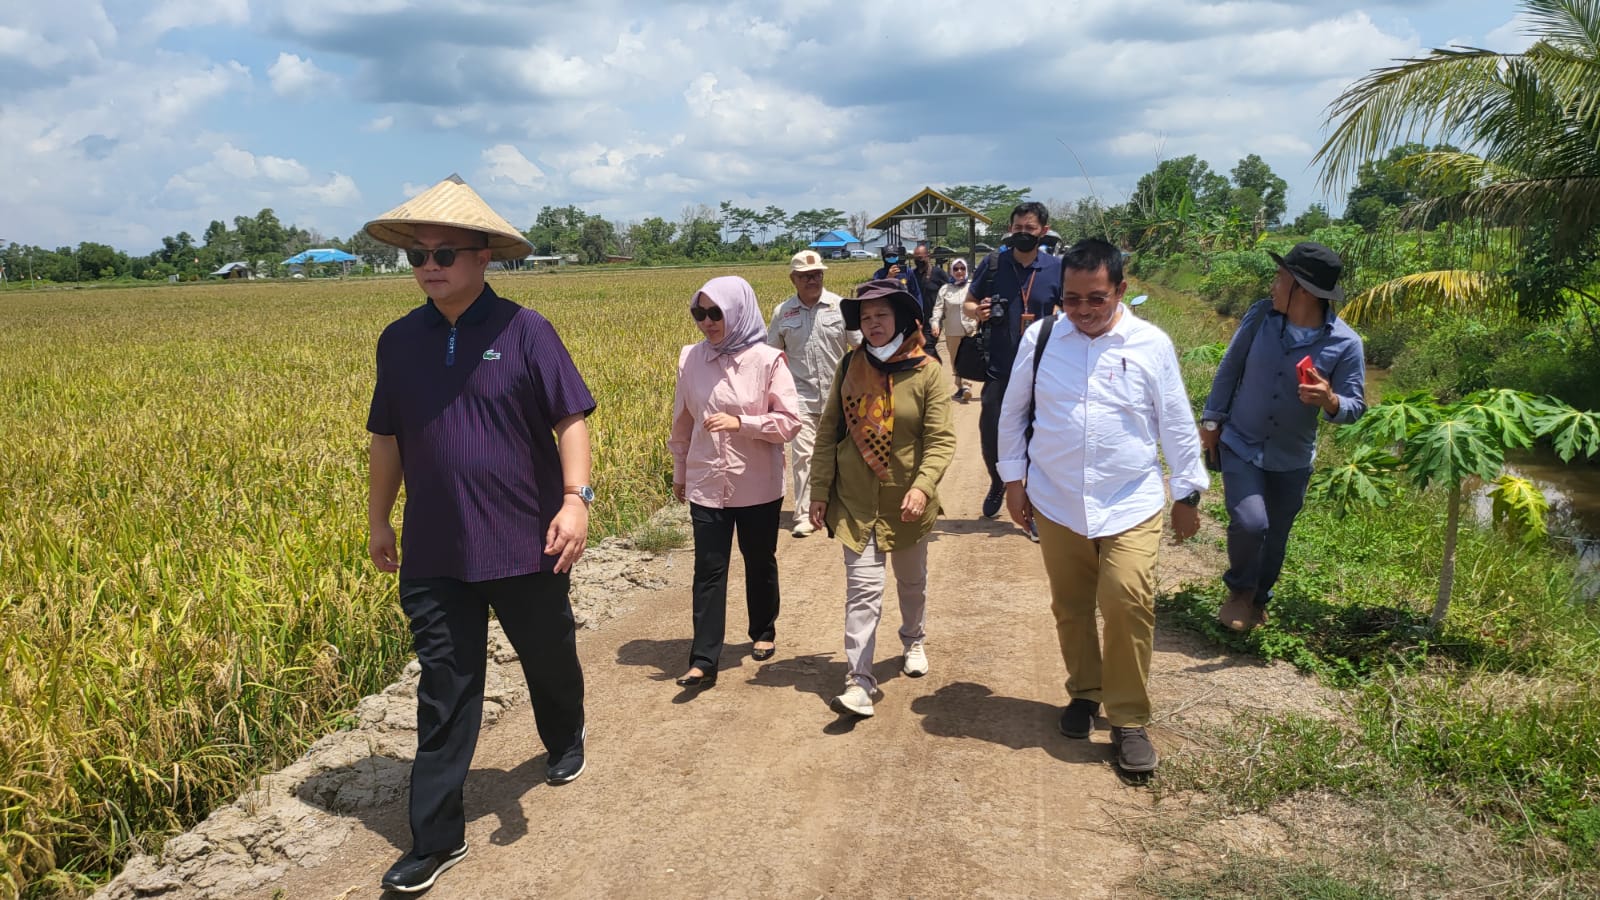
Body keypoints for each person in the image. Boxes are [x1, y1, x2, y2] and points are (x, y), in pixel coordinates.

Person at [363, 175, 596, 893]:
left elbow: (570, 419)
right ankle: (436, 837)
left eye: (445, 253)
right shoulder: (399, 342)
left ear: (484, 256)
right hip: (435, 548)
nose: (430, 266)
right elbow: (387, 436)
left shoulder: (526, 330)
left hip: (525, 540)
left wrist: (575, 499)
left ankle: (564, 735)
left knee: (547, 653)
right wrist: (377, 517)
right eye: (418, 256)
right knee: (445, 687)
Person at [998, 238, 1207, 775]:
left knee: (1126, 602)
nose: (1084, 310)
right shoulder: (1041, 339)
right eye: (1072, 298)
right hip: (1056, 497)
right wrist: (1013, 482)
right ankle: (1085, 692)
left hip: (1130, 500)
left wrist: (1187, 491)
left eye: (1096, 298)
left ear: (1121, 289)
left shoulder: (1150, 344)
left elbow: (1176, 421)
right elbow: (1013, 411)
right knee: (1070, 607)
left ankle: (1129, 718)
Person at [1199, 242, 1366, 632]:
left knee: (1275, 537)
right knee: (1251, 522)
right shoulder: (1260, 317)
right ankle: (1239, 590)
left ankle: (1259, 598)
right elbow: (1230, 369)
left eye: (1281, 278)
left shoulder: (1345, 343)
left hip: (1291, 457)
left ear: (1304, 291)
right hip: (1240, 441)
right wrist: (1210, 423)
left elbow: (1355, 406)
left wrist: (1330, 399)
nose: (1273, 285)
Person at [809, 279, 956, 717]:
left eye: (882, 316)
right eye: (866, 317)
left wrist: (922, 485)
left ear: (902, 320)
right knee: (863, 592)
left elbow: (941, 439)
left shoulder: (927, 371)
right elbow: (827, 434)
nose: (873, 324)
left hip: (907, 503)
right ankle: (859, 681)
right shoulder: (849, 366)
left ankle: (913, 640)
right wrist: (818, 491)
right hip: (856, 503)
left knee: (912, 583)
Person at [670, 276, 802, 688]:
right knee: (708, 569)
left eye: (715, 313)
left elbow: (789, 423)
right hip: (706, 482)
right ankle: (704, 658)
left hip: (756, 484)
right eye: (699, 313)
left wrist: (742, 423)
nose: (707, 323)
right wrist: (679, 472)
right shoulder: (690, 358)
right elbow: (683, 422)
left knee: (758, 561)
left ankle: (763, 630)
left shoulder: (768, 361)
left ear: (738, 311)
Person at [964, 202, 1063, 518]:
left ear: (1043, 231)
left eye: (1030, 229)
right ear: (1010, 229)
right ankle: (998, 482)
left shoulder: (1056, 268)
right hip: (1000, 366)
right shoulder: (994, 264)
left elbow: (1071, 309)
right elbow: (968, 302)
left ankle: (1034, 503)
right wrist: (976, 312)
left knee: (1039, 436)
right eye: (1018, 228)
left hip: (1043, 369)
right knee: (991, 431)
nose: (1023, 234)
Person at [768, 250, 859, 538]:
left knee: (845, 454)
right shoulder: (783, 313)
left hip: (841, 397)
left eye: (817, 274)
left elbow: (859, 348)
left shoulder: (840, 306)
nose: (813, 280)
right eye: (806, 276)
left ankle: (845, 509)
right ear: (793, 279)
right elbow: (771, 356)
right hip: (800, 398)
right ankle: (806, 515)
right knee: (803, 456)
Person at [873, 243, 934, 360]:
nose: (891, 259)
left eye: (894, 256)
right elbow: (876, 293)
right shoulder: (879, 274)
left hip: (906, 315)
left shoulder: (907, 272)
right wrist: (888, 278)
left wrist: (919, 313)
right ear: (883, 258)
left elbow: (916, 293)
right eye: (888, 257)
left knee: (908, 344)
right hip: (887, 316)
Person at [938, 257, 976, 402]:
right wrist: (935, 323)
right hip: (952, 331)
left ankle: (966, 386)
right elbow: (938, 308)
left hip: (970, 329)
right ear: (951, 271)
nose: (959, 271)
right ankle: (960, 386)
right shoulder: (945, 289)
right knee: (955, 360)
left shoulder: (972, 287)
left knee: (966, 358)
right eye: (956, 269)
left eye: (962, 268)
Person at [911, 242, 949, 358]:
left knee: (928, 346)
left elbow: (949, 290)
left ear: (928, 257)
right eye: (915, 258)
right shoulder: (912, 275)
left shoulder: (938, 273)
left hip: (933, 319)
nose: (918, 260)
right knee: (921, 347)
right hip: (917, 320)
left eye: (920, 258)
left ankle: (934, 370)